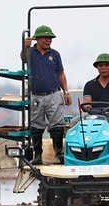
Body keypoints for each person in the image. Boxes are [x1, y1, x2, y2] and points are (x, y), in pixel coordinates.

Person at [21, 25, 71, 164]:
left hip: (54, 93)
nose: (48, 40)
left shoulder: (55, 54)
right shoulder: (30, 52)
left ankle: (58, 154)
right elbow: (23, 59)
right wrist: (25, 47)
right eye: (45, 38)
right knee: (36, 125)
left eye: (50, 38)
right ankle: (38, 154)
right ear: (37, 39)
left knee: (57, 124)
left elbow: (60, 73)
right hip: (36, 95)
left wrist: (66, 91)